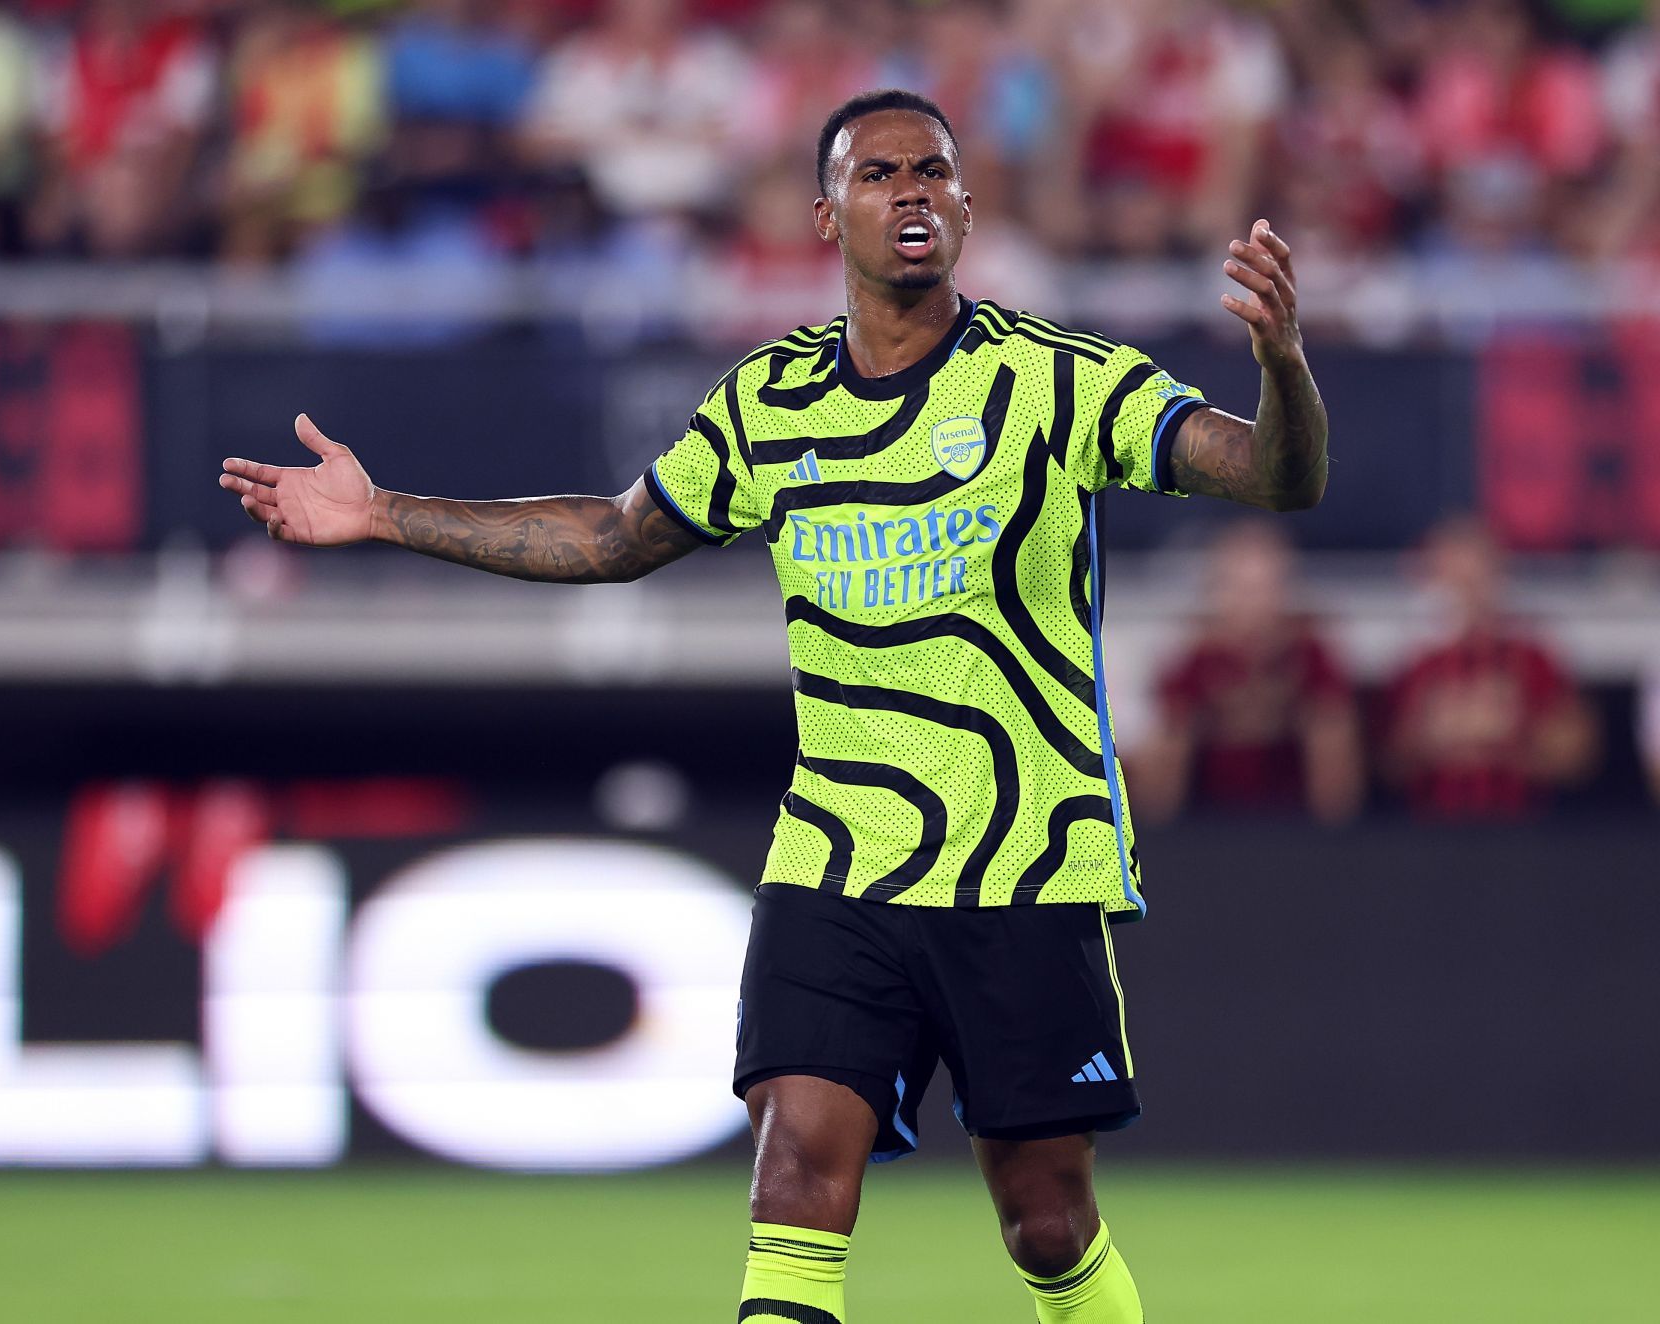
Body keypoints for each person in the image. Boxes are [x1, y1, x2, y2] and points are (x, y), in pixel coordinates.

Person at [218, 89, 1329, 1324]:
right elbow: (613, 535)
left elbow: (1278, 478)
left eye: (935, 171)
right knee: (794, 1169)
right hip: (837, 863)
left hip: (1022, 858)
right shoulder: (767, 402)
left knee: (1046, 1214)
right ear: (824, 214)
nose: (911, 191)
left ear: (966, 204)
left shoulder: (1056, 381)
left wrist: (1282, 368)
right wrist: (385, 513)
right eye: (878, 173)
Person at [1135, 520, 1363, 825]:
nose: (1252, 606)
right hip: (1207, 822)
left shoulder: (1311, 655)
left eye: (1263, 590)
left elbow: (1337, 746)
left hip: (1295, 821)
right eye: (1239, 590)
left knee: (1330, 728)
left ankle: (1339, 849)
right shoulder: (1195, 660)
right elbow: (1162, 759)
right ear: (1216, 593)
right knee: (1166, 738)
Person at [1383, 517, 1597, 819]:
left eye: (1475, 577)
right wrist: (1431, 737)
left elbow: (1577, 756)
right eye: (1453, 578)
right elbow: (1389, 765)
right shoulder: (1417, 663)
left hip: (1521, 834)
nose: (1465, 593)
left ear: (1498, 576)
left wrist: (1509, 735)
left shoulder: (1531, 657)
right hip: (1433, 834)